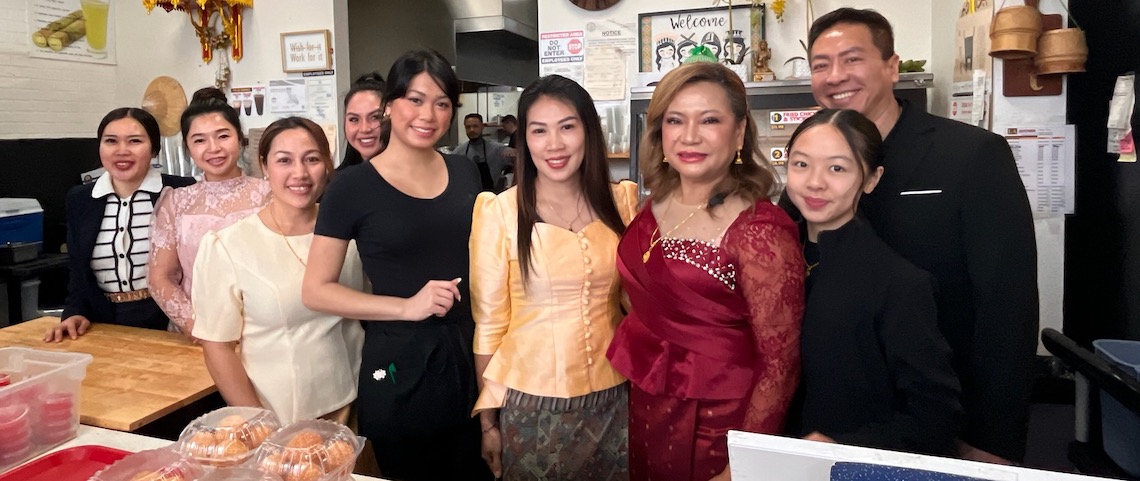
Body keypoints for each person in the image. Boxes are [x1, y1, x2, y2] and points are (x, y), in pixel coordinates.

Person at [807, 8, 1038, 464]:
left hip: (946, 418)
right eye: (820, 64)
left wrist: (994, 438)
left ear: (892, 66)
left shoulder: (971, 156)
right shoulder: (810, 174)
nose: (835, 76)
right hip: (836, 420)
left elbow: (1008, 307)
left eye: (852, 59)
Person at [606, 62, 804, 481]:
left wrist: (746, 460)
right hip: (647, 402)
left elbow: (780, 364)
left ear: (738, 132)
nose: (689, 136)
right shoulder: (653, 202)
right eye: (675, 120)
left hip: (718, 424)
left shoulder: (759, 229)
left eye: (709, 120)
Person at [301, 49, 492, 481]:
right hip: (396, 363)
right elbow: (316, 290)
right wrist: (407, 306)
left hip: (467, 355)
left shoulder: (464, 172)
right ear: (389, 105)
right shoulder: (351, 186)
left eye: (443, 103)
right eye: (416, 99)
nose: (429, 114)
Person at [470, 75, 639, 480]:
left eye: (567, 127)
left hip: (616, 397)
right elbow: (490, 324)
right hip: (532, 405)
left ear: (588, 131)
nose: (555, 144)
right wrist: (488, 424)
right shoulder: (500, 213)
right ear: (524, 140)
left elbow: (638, 306)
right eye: (539, 131)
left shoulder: (623, 202)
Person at [782, 108, 962, 455]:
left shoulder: (898, 283)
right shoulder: (769, 257)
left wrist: (842, 447)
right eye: (801, 164)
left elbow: (935, 415)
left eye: (837, 168)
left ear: (871, 179)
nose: (815, 181)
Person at [191, 117, 364, 424]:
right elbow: (218, 347)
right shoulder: (229, 245)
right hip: (283, 419)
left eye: (312, 159)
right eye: (284, 160)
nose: (300, 173)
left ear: (327, 164)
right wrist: (260, 425)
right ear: (264, 166)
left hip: (359, 404)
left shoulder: (349, 230)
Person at [45, 108, 194, 342]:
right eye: (111, 141)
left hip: (170, 323)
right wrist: (75, 312)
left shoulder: (181, 191)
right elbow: (77, 270)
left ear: (154, 148)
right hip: (102, 324)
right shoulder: (81, 198)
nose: (122, 151)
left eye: (135, 141)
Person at [148, 87, 271, 336]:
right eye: (200, 140)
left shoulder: (269, 195)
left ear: (239, 138)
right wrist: (198, 326)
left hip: (262, 332)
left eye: (223, 136)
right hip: (195, 335)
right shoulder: (176, 202)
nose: (213, 148)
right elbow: (160, 277)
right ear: (188, 147)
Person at [337, 72, 388, 172]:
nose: (365, 129)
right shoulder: (337, 182)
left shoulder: (413, 179)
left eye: (375, 117)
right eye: (354, 119)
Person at [454, 113, 515, 192]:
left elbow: (522, 162)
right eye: (468, 127)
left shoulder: (497, 150)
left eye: (475, 126)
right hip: (467, 198)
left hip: (491, 198)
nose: (471, 130)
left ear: (482, 126)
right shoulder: (458, 152)